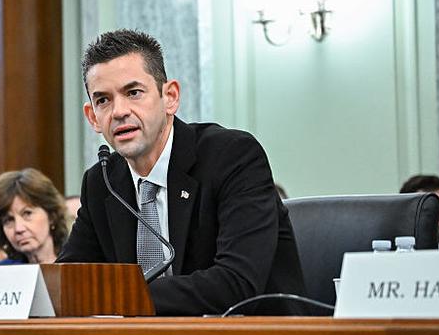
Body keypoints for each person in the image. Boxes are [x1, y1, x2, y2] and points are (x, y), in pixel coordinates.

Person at [57, 29, 306, 316]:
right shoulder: (102, 181)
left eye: (133, 93)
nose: (119, 111)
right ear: (92, 117)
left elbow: (236, 284)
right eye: (103, 100)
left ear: (170, 97)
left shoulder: (232, 156)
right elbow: (68, 283)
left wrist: (118, 298)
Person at [0, 168, 67, 265]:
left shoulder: (79, 267)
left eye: (27, 213)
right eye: (8, 220)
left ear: (51, 216)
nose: (18, 229)